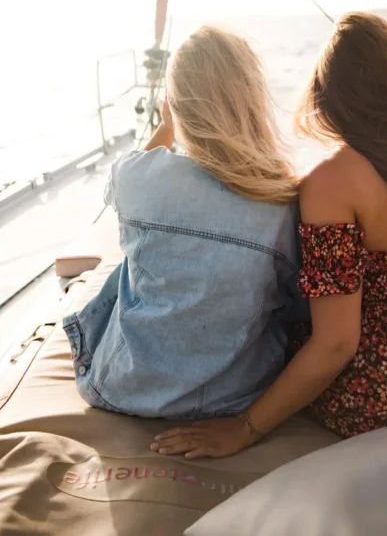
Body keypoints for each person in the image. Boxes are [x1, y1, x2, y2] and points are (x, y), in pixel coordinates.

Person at [152, 12, 387, 459]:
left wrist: (244, 428)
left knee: (286, 321)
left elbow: (338, 342)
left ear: (325, 90)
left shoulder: (328, 186)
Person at [64, 25, 302, 419]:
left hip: (124, 388)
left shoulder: (137, 178)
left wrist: (166, 127)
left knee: (128, 261)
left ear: (176, 104)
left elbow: (116, 192)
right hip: (236, 398)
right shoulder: (283, 201)